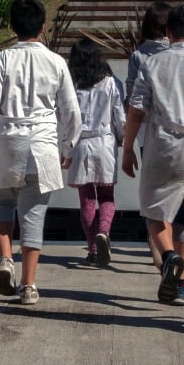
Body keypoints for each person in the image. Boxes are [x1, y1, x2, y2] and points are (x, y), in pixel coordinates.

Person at [0, 0, 82, 305]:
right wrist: (68, 145)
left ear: (12, 27)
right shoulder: (56, 62)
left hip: (7, 141)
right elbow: (71, 111)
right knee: (34, 214)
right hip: (43, 144)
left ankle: (6, 257)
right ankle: (29, 285)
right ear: (43, 28)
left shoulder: (1, 60)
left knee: (0, 201)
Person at [122, 5, 184, 306]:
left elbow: (136, 109)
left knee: (154, 208)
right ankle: (181, 286)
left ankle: (167, 257)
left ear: (168, 33)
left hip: (164, 144)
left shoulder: (152, 64)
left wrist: (127, 148)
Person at [67, 39, 125, 267]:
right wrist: (121, 140)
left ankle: (92, 249)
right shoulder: (111, 83)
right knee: (107, 196)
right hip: (104, 142)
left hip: (80, 143)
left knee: (86, 199)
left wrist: (66, 147)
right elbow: (120, 116)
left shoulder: (72, 85)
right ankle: (104, 232)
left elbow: (67, 119)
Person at [126, 2, 172, 267]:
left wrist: (128, 141)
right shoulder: (182, 54)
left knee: (153, 192)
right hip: (181, 133)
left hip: (148, 134)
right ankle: (171, 244)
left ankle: (157, 247)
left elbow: (133, 101)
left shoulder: (139, 56)